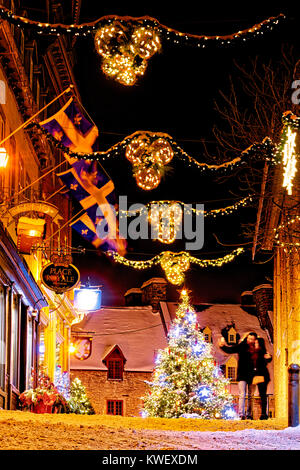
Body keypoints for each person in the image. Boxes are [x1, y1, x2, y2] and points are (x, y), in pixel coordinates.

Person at [218, 332, 257, 420]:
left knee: (251, 395)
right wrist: (222, 346)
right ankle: (241, 414)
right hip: (242, 374)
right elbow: (230, 350)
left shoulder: (257, 348)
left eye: (252, 339)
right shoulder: (242, 346)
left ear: (255, 340)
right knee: (242, 394)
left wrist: (268, 357)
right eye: (249, 339)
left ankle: (249, 414)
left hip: (252, 375)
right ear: (247, 338)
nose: (250, 341)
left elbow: (262, 357)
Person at [252, 337, 272, 420]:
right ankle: (264, 413)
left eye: (257, 343)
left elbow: (267, 359)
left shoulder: (260, 352)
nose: (255, 345)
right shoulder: (257, 352)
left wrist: (269, 357)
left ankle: (264, 414)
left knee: (262, 395)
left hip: (262, 376)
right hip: (262, 376)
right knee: (262, 395)